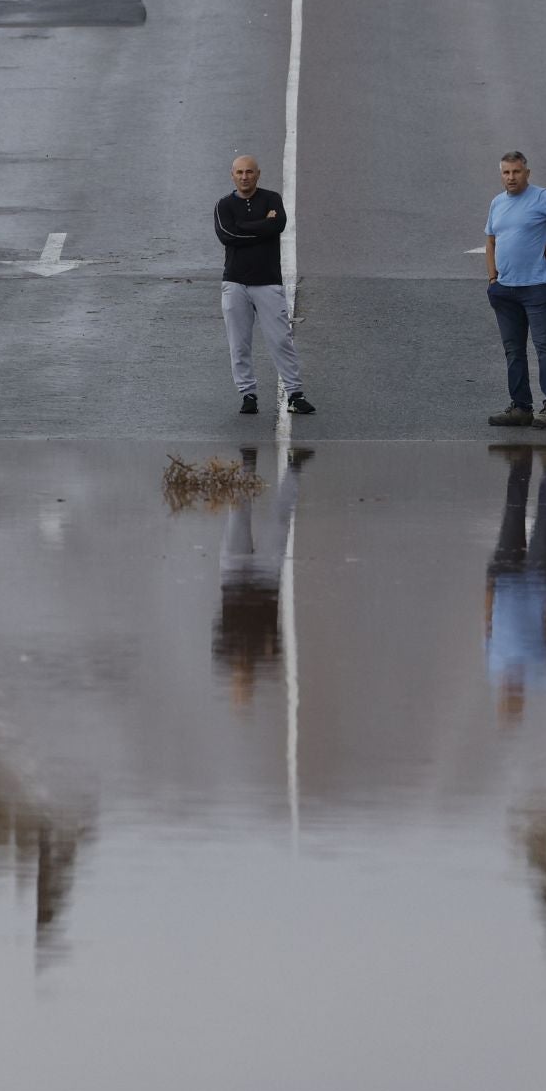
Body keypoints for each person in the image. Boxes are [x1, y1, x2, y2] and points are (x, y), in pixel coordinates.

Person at [484, 151, 546, 429]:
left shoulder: (542, 197)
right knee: (513, 350)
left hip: (536, 287)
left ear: (527, 173)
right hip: (504, 290)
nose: (511, 177)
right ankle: (520, 407)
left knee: (543, 346)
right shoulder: (497, 203)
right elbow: (491, 241)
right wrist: (492, 279)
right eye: (506, 172)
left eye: (516, 172)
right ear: (501, 174)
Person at [214, 155, 314, 416]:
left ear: (258, 174)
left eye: (249, 172)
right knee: (239, 343)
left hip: (268, 283)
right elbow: (228, 234)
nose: (244, 177)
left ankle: (295, 394)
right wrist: (262, 227)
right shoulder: (223, 205)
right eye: (239, 172)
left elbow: (277, 224)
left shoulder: (272, 200)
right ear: (232, 175)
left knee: (281, 339)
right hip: (235, 283)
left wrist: (245, 228)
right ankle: (248, 394)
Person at [485, 445, 546, 725]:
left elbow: (487, 627)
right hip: (536, 583)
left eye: (506, 699)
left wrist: (489, 587)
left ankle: (520, 462)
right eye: (514, 701)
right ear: (522, 700)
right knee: (544, 519)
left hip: (503, 579)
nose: (510, 694)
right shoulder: (539, 675)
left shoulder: (493, 668)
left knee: (512, 511)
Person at [215, 445, 311, 708]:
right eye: (246, 683)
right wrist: (264, 644)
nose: (242, 676)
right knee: (280, 522)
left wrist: (241, 647)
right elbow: (276, 637)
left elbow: (220, 628)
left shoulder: (223, 656)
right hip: (266, 581)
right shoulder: (267, 659)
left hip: (234, 578)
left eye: (239, 683)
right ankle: (294, 467)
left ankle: (248, 463)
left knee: (238, 512)